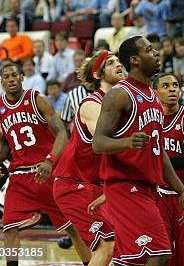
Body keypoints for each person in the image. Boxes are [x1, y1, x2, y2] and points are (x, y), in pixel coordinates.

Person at [92, 36, 184, 266]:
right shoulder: (120, 94)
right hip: (125, 186)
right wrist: (126, 142)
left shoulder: (153, 98)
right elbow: (98, 143)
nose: (156, 53)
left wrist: (181, 190)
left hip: (147, 187)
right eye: (149, 50)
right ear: (135, 60)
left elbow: (159, 153)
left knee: (133, 259)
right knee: (160, 254)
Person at [0, 61, 90, 265]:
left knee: (73, 229)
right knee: (9, 228)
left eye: (14, 75)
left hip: (48, 174)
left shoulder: (37, 100)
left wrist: (50, 160)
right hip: (20, 178)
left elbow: (62, 133)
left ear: (22, 77)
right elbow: (6, 145)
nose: (11, 79)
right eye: (6, 76)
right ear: (1, 81)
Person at [52, 51, 124, 266]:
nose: (118, 65)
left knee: (125, 243)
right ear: (98, 74)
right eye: (111, 63)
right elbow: (104, 142)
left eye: (119, 61)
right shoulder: (91, 105)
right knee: (107, 245)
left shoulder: (120, 103)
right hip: (72, 184)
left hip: (95, 184)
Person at [153, 73, 184, 266]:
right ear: (155, 92)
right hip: (158, 197)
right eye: (165, 86)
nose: (172, 89)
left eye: (175, 85)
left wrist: (151, 161)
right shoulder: (150, 120)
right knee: (162, 257)